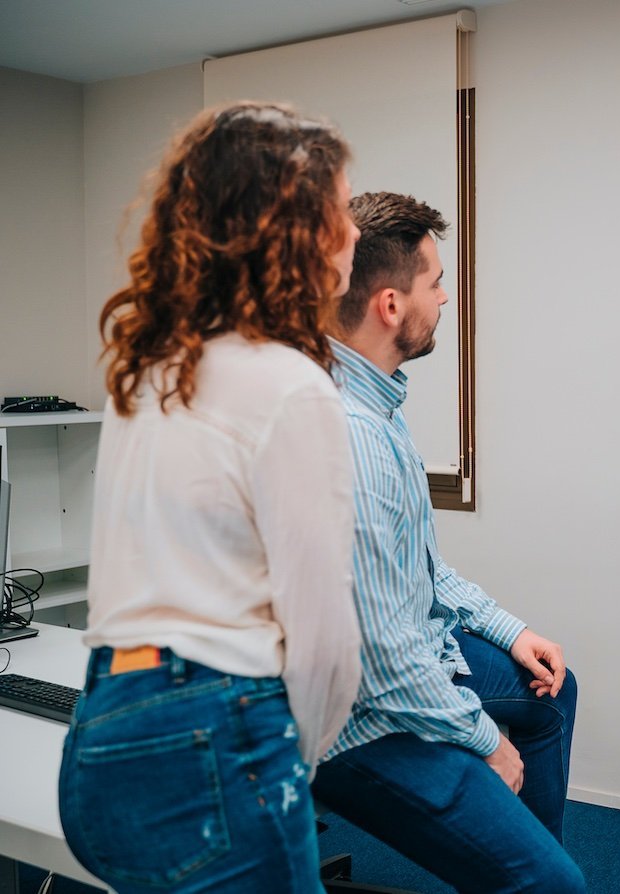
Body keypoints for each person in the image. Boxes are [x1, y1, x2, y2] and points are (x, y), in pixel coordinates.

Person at [58, 101, 363, 893]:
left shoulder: (152, 371)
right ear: (290, 229)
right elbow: (324, 644)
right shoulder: (292, 386)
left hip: (102, 730)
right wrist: (284, 768)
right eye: (338, 212)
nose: (355, 232)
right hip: (216, 731)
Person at [311, 191, 585, 893]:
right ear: (391, 306)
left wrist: (510, 629)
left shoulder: (379, 401)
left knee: (549, 691)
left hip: (407, 660)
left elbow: (419, 574)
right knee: (558, 886)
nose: (446, 298)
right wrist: (483, 740)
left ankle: (509, 861)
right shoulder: (351, 437)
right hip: (363, 721)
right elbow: (384, 659)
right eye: (436, 283)